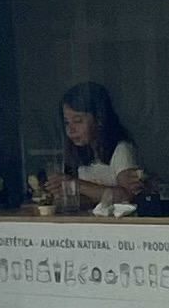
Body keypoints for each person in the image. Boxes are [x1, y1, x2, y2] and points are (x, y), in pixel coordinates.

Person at [40, 81, 144, 211]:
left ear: (99, 120)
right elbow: (89, 200)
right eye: (67, 123)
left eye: (77, 121)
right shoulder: (79, 152)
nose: (70, 130)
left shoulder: (122, 149)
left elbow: (126, 196)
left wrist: (75, 184)